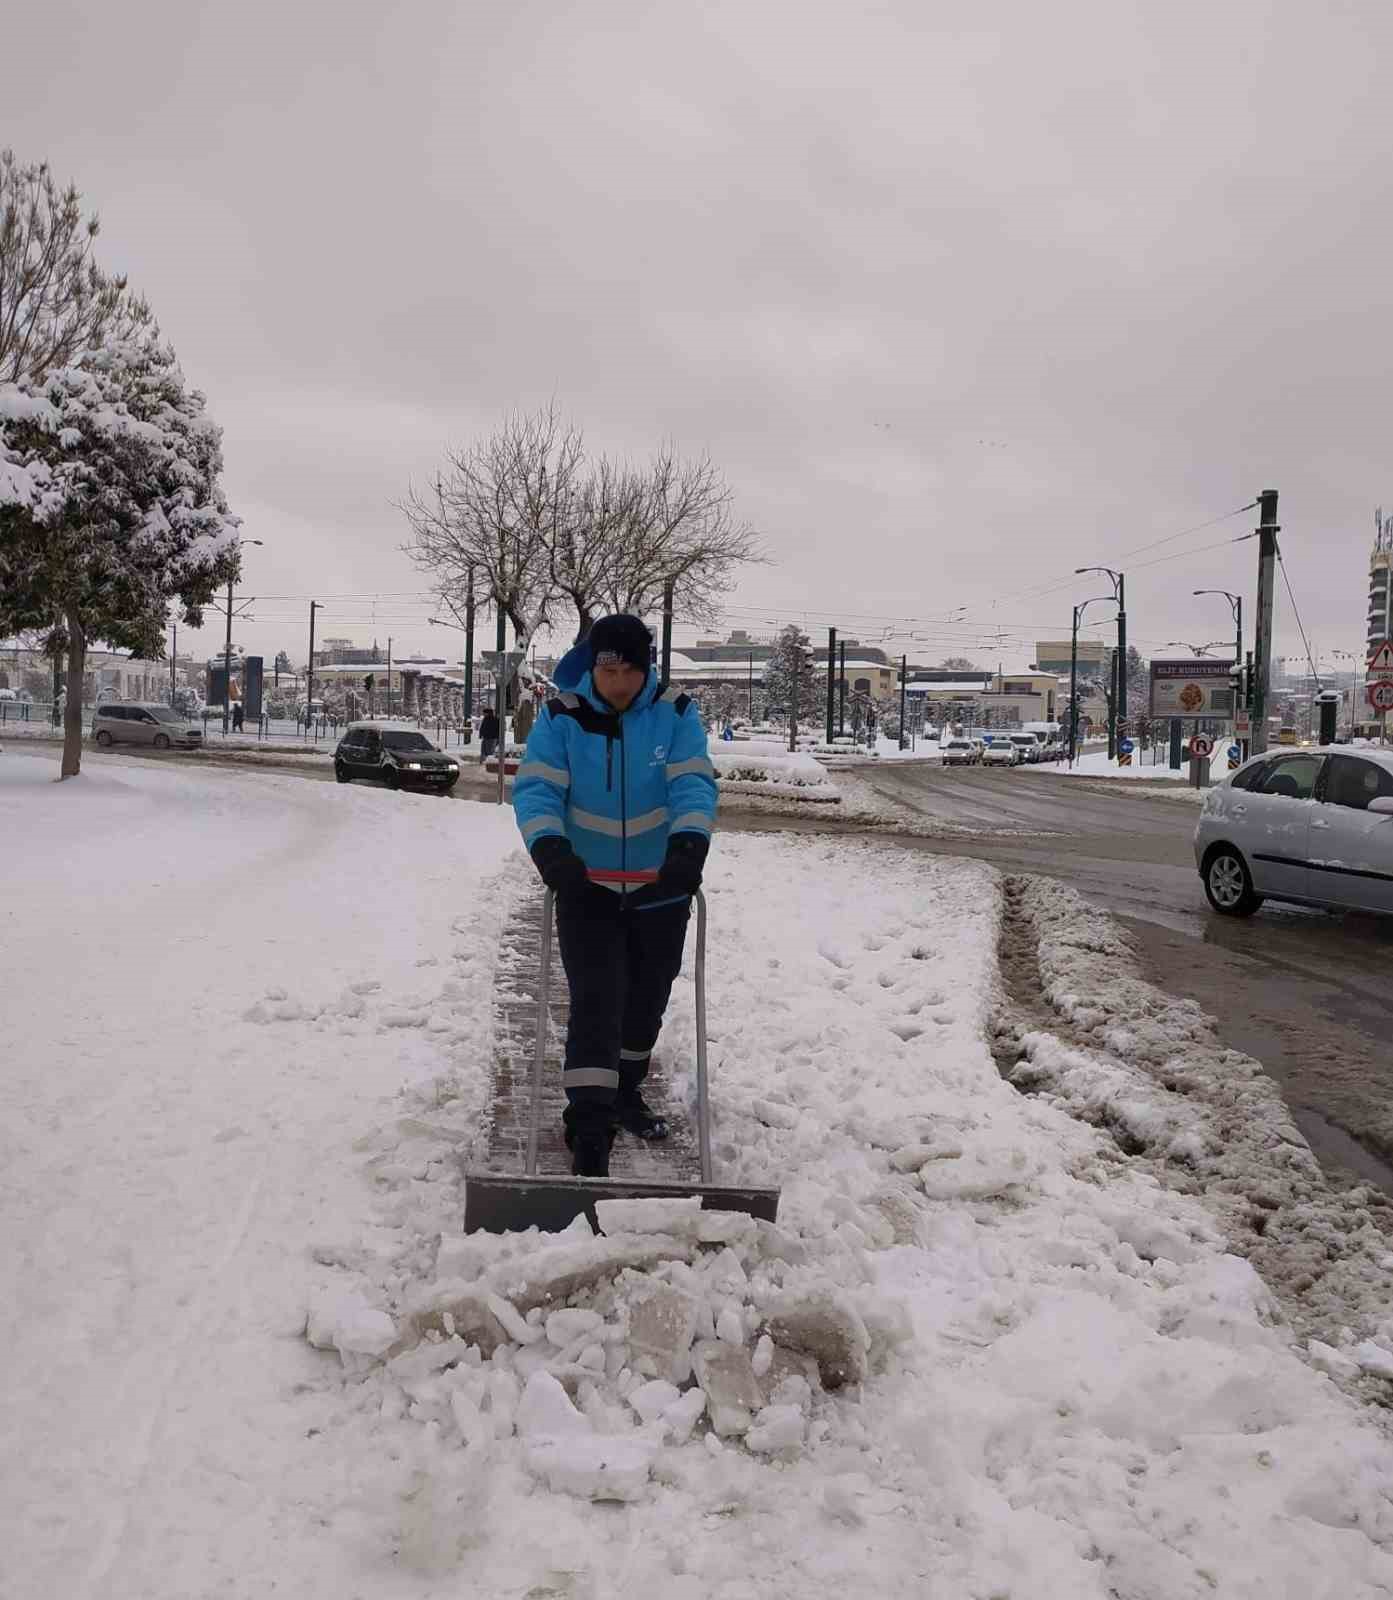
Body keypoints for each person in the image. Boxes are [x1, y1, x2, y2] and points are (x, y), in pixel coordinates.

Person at [513, 614, 718, 1177]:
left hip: (659, 888)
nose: (620, 682)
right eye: (609, 670)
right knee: (597, 1002)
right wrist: (552, 852)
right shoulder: (562, 717)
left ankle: (626, 1090)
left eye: (631, 669)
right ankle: (589, 1123)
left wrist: (688, 848)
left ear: (645, 667)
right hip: (587, 888)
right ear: (593, 665)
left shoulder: (676, 714)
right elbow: (536, 791)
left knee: (645, 1003)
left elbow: (692, 783)